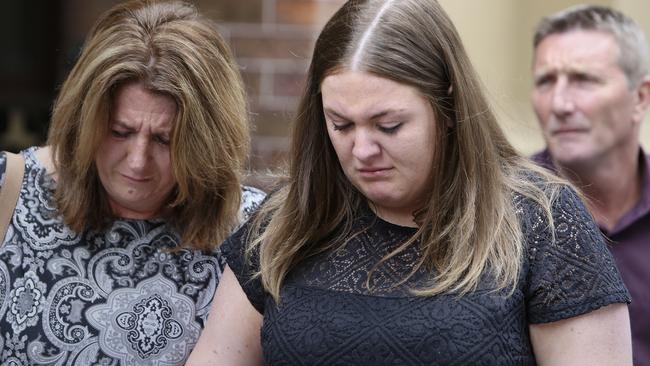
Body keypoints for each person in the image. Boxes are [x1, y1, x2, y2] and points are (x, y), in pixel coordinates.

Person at [188, 0, 632, 365]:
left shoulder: (544, 223)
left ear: (449, 105)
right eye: (341, 125)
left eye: (389, 125)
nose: (362, 150)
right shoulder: (285, 222)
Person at [0, 1, 265, 365]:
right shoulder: (10, 192)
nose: (138, 161)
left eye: (165, 140)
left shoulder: (252, 231)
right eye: (119, 132)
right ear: (83, 122)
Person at [530, 5, 650, 365]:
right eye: (545, 81)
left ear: (640, 97)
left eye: (584, 79)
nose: (560, 104)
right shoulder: (504, 211)